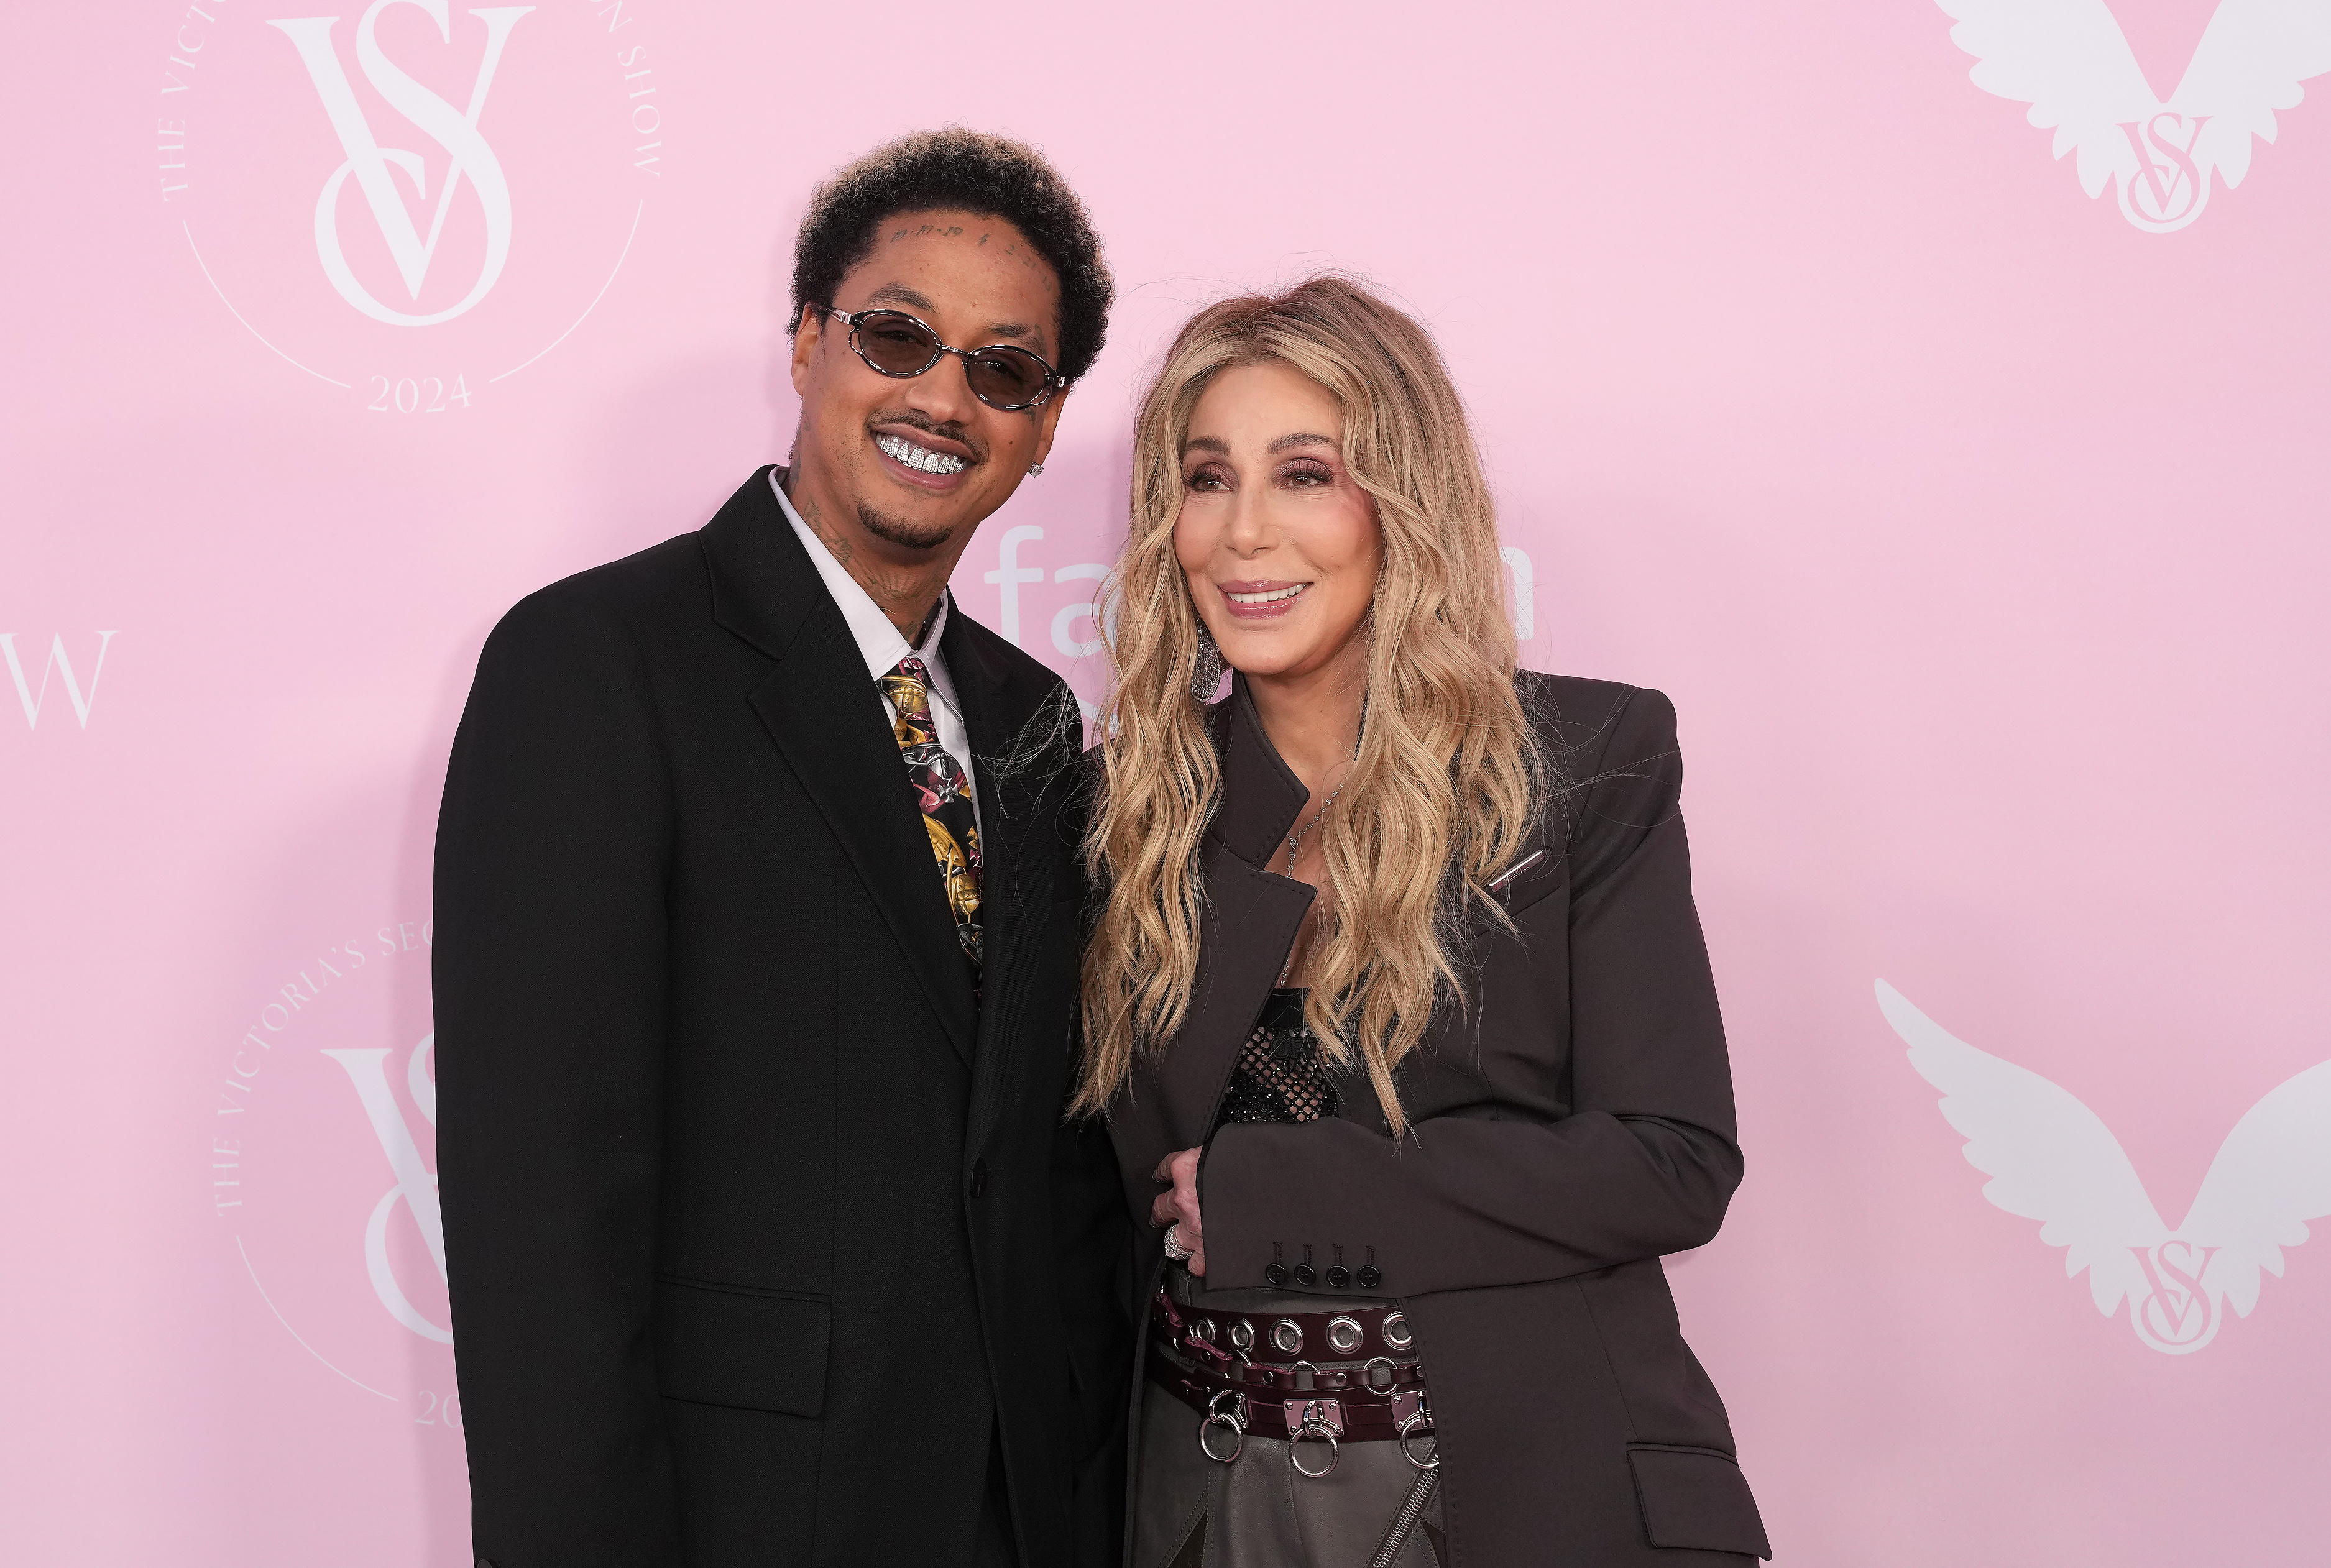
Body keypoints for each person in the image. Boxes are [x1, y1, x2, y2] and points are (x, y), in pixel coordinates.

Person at [433, 130, 1131, 1568]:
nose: (944, 396)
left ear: (1048, 420)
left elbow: (1040, 1169)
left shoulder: (1033, 720)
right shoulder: (595, 663)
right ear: (810, 338)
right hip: (738, 1515)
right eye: (898, 336)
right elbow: (542, 1221)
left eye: (1005, 369)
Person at [1076, 277, 1772, 1566]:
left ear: (1400, 502)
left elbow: (1672, 1161)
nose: (1242, 534)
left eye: (1303, 474)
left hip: (1527, 1480)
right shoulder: (1130, 803)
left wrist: (1272, 1187)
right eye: (1206, 477)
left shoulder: (1584, 762)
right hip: (1210, 1496)